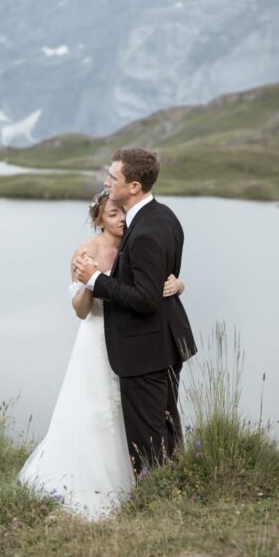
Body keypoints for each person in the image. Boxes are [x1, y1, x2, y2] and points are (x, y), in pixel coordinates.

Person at [18, 189, 184, 521]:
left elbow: (151, 288)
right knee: (96, 413)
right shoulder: (85, 251)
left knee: (134, 413)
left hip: (134, 342)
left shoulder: (138, 241)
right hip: (96, 341)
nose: (121, 219)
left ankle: (147, 482)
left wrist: (179, 285)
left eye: (123, 212)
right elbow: (81, 311)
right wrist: (90, 281)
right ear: (98, 219)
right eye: (112, 214)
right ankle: (96, 488)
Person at [73, 148, 197, 472]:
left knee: (147, 440)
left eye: (113, 177)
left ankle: (154, 502)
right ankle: (172, 489)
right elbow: (157, 281)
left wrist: (96, 279)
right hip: (163, 345)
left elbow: (146, 299)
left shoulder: (144, 232)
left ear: (134, 187)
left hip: (145, 351)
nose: (107, 181)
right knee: (167, 428)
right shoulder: (164, 215)